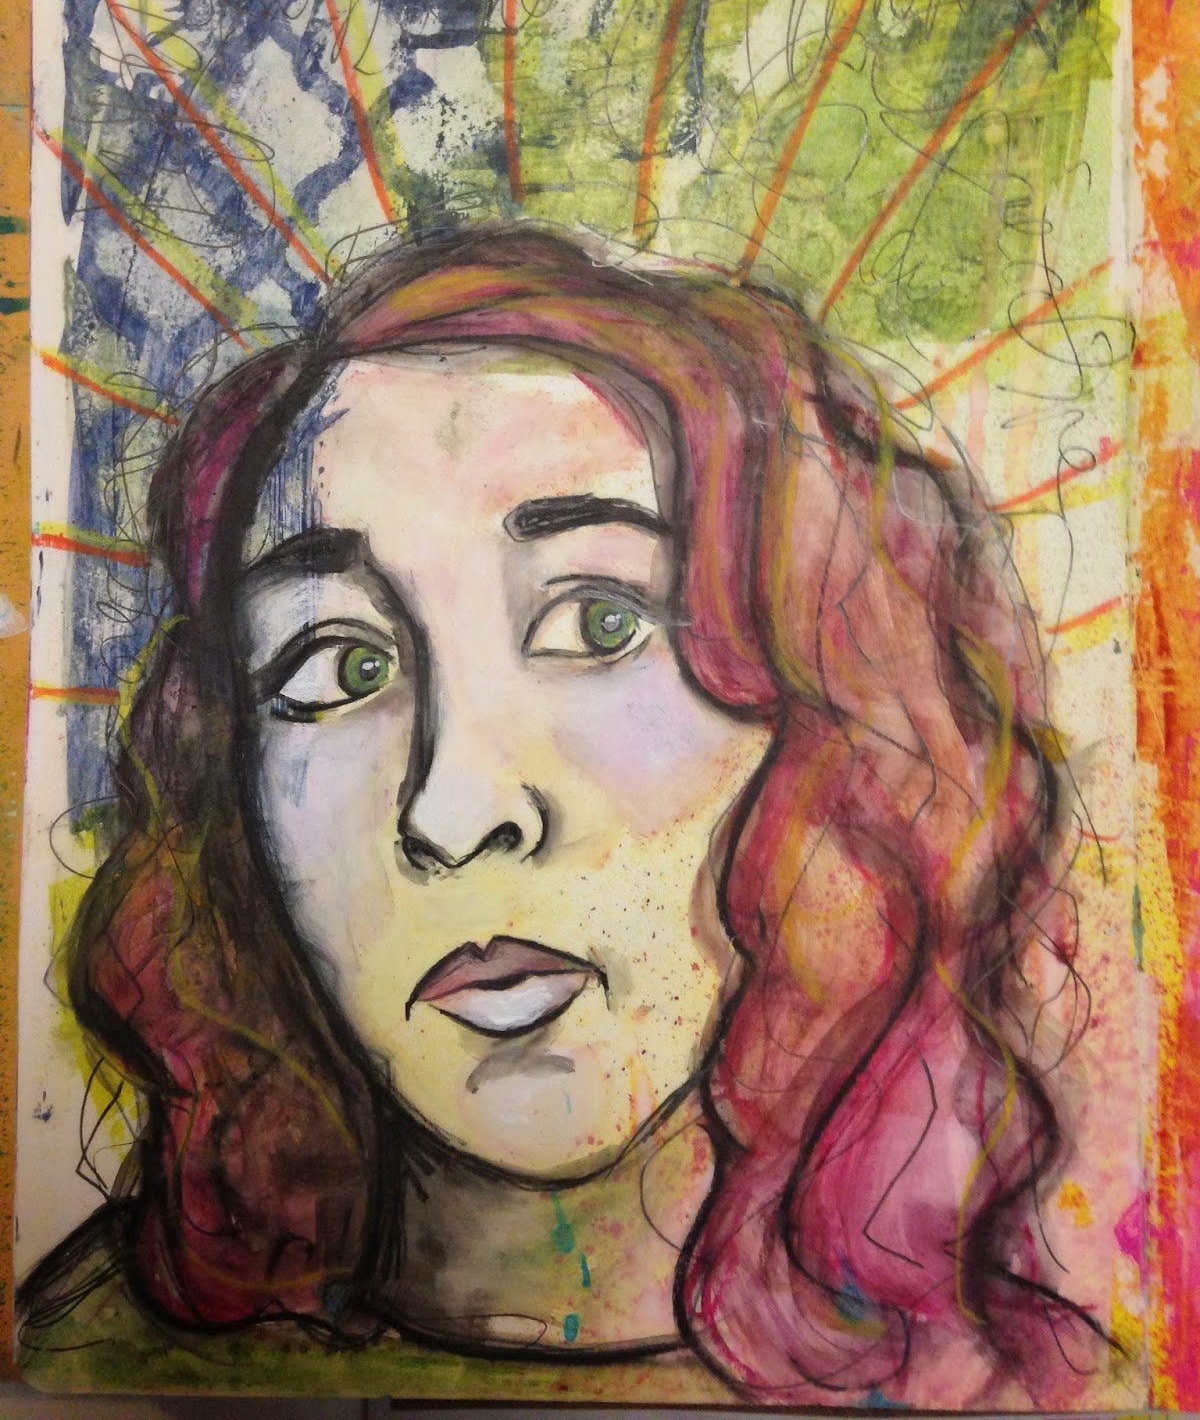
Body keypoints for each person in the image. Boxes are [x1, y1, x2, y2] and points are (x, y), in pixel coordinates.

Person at [18, 223, 1112, 1406]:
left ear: (822, 724)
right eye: (339, 667)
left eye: (599, 622)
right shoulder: (88, 1351)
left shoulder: (1017, 1391)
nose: (456, 810)